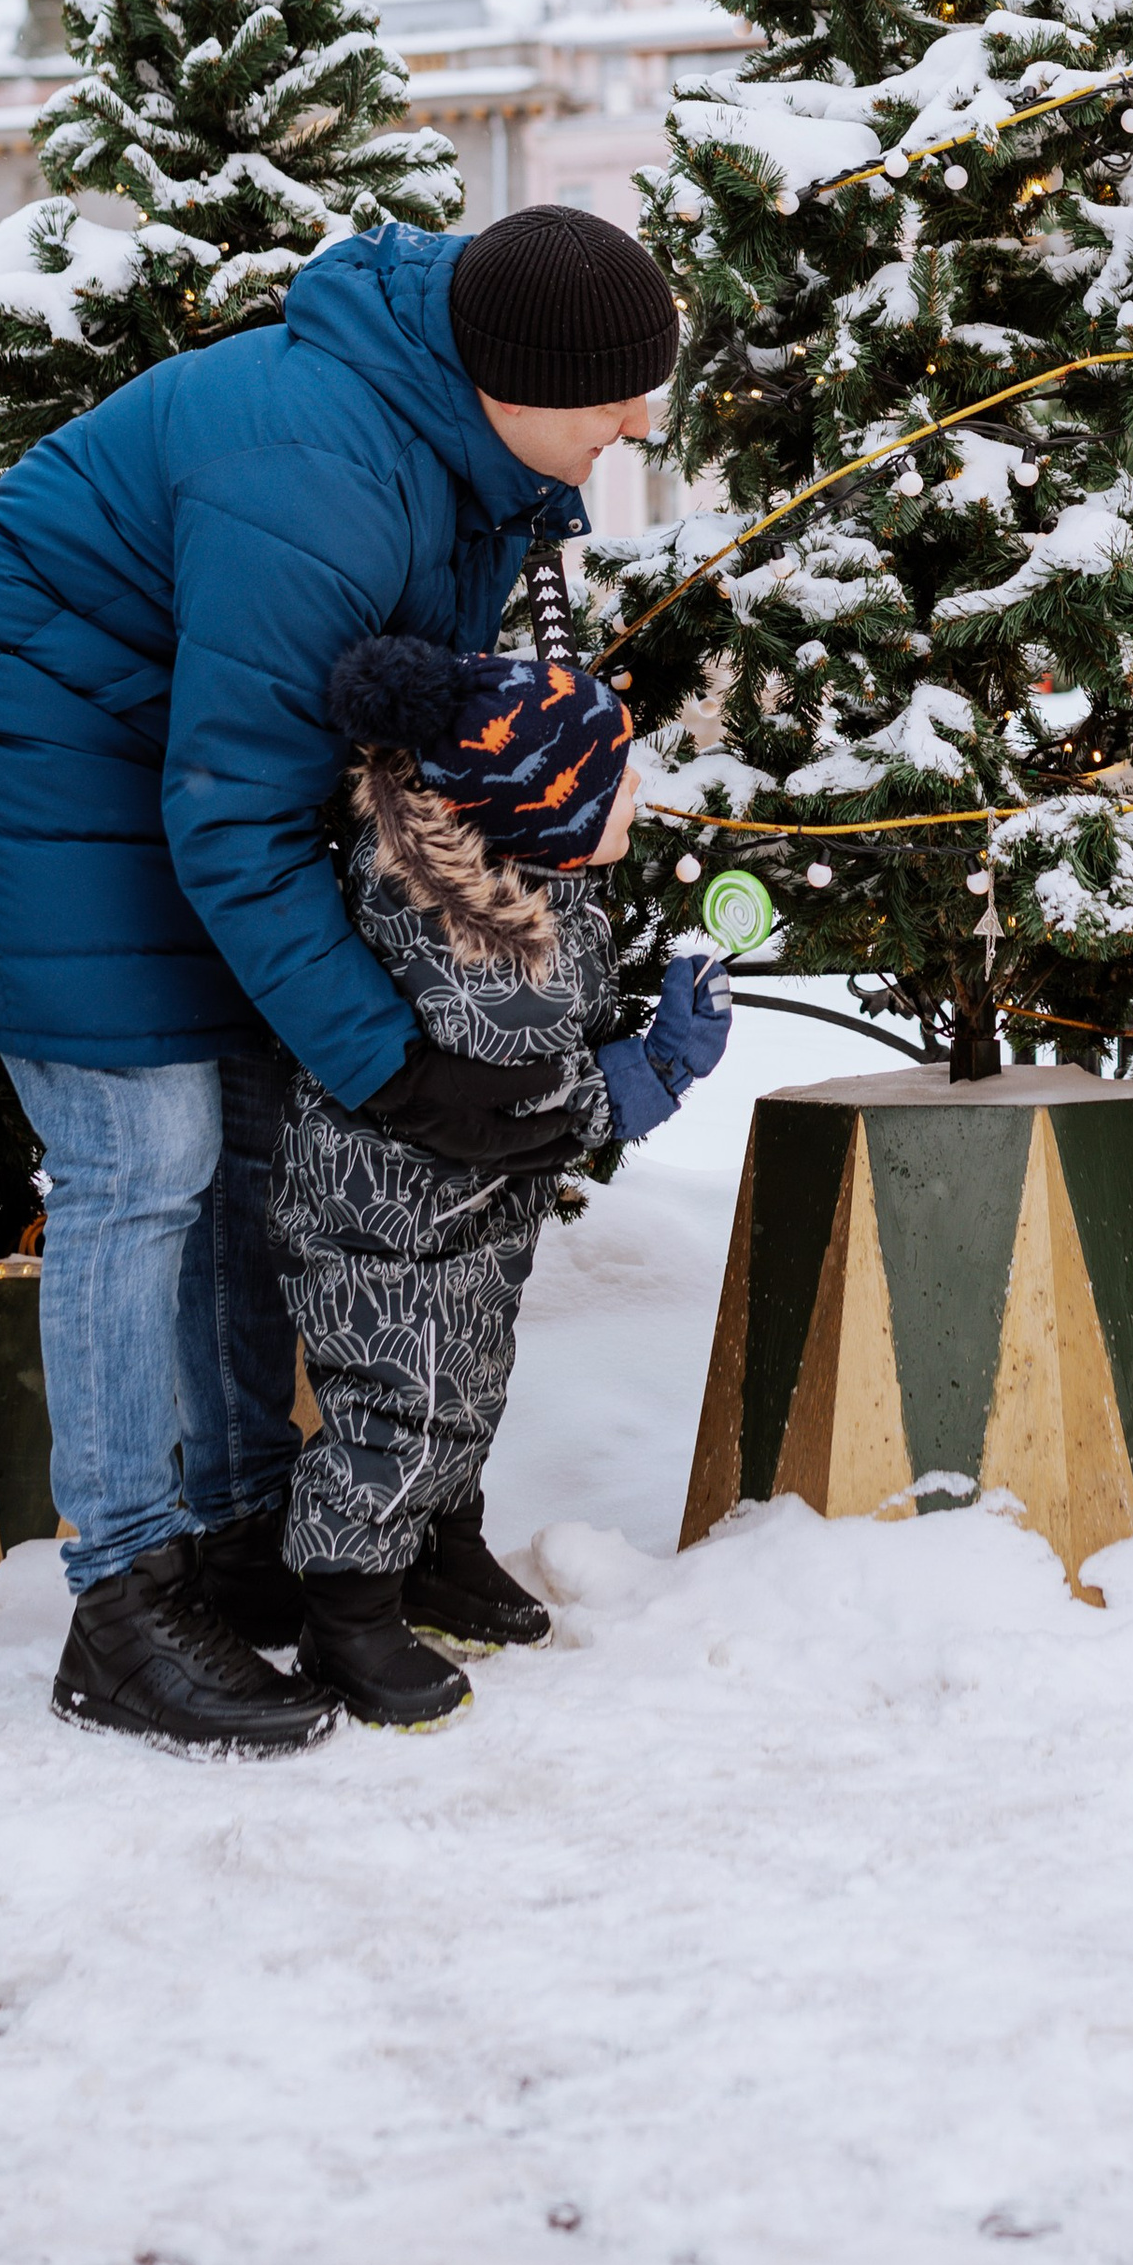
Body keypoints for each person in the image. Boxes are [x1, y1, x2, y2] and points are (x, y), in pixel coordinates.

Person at [0, 203, 684, 1757]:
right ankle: (121, 1597)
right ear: (508, 379)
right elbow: (232, 812)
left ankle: (247, 1536)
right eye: (612, 395)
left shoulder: (461, 445)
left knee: (250, 1129)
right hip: (20, 741)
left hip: (152, 730)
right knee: (140, 1155)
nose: (641, 423)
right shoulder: (320, 477)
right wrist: (392, 1060)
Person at [271, 628, 732, 1730]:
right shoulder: (465, 937)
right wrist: (658, 1064)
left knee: (464, 1389)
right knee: (402, 1403)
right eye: (615, 783)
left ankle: (437, 1550)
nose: (640, 795)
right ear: (542, 806)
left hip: (468, 1219)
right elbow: (522, 1100)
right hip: (388, 1224)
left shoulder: (522, 868)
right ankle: (346, 1607)